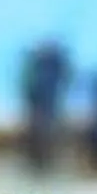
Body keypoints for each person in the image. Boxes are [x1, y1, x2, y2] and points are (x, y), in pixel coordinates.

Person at [20, 38, 71, 172]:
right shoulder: (44, 62)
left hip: (46, 103)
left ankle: (43, 162)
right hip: (43, 103)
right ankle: (41, 163)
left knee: (44, 131)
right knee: (43, 131)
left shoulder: (40, 62)